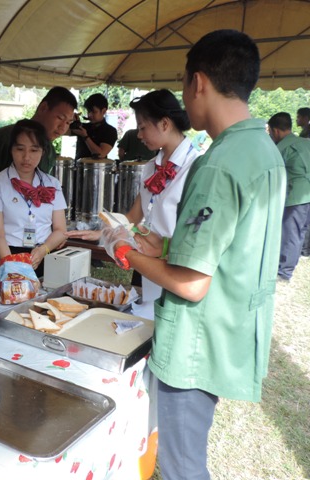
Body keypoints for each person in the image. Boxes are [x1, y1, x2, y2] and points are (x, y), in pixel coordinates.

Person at [101, 30, 285, 479]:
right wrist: (165, 246)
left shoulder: (217, 163)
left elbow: (192, 282)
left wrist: (126, 251)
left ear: (198, 82)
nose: (185, 97)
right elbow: (231, 247)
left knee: (182, 467)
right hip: (229, 331)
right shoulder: (264, 150)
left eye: (184, 84)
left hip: (196, 343)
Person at [67, 89, 198, 320]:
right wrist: (102, 232)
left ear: (164, 124)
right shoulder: (151, 167)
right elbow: (133, 216)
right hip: (145, 260)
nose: (139, 135)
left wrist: (162, 247)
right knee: (145, 318)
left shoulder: (196, 168)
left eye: (143, 127)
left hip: (177, 267)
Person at [0, 119, 67, 281]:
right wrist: (12, 266)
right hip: (7, 255)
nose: (26, 157)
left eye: (34, 150)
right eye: (20, 149)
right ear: (11, 150)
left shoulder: (52, 184)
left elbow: (60, 230)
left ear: (43, 151)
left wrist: (43, 250)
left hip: (42, 256)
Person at [0, 86, 77, 184]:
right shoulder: (3, 137)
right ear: (43, 108)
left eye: (68, 122)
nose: (63, 127)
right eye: (60, 118)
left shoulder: (50, 150)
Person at [267, 112, 310, 282]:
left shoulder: (282, 148)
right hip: (306, 194)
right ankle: (293, 261)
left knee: (291, 232)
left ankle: (284, 271)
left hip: (297, 195)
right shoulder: (304, 142)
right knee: (301, 230)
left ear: (275, 131)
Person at [70, 93, 118, 160]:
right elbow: (62, 131)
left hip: (97, 166)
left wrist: (85, 136)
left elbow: (100, 154)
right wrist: (69, 120)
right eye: (88, 111)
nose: (89, 115)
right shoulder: (83, 127)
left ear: (103, 111)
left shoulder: (110, 131)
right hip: (79, 165)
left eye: (94, 112)